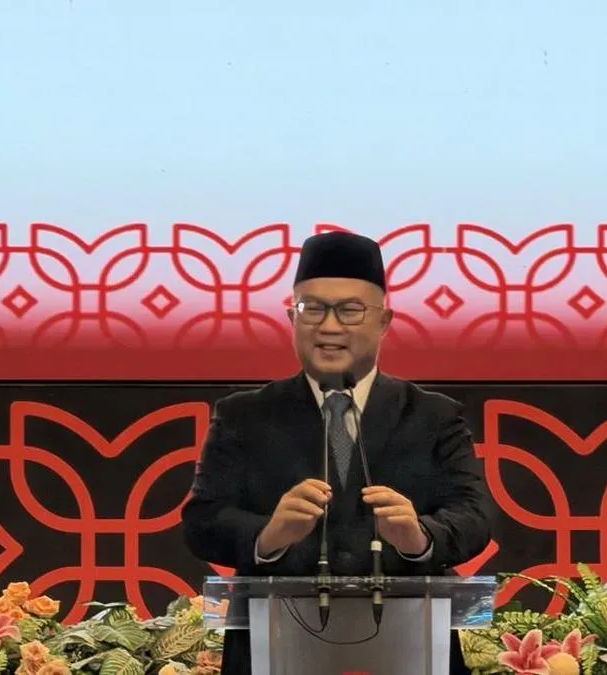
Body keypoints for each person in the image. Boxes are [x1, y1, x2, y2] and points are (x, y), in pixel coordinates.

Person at [182, 230, 494, 674]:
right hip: (274, 649)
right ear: (291, 317)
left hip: (411, 646)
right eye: (312, 309)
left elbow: (475, 515)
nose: (329, 327)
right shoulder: (244, 415)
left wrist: (418, 537)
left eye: (349, 310)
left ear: (384, 321)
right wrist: (269, 535)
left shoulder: (433, 415)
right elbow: (202, 522)